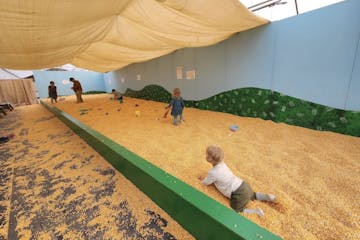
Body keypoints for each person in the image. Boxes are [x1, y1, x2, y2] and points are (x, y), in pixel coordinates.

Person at [198, 145, 276, 216]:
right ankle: (267, 197)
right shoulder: (223, 164)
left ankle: (256, 212)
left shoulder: (213, 172)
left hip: (237, 193)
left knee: (237, 209)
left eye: (207, 154)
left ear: (210, 159)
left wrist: (202, 179)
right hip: (243, 184)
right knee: (252, 195)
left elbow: (206, 182)